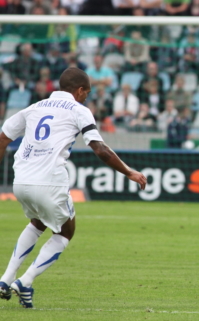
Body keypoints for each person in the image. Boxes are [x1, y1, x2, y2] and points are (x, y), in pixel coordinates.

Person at [0, 68, 147, 308]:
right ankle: (25, 281)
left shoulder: (34, 107)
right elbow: (100, 148)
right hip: (49, 180)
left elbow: (3, 138)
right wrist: (129, 171)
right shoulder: (79, 110)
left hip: (21, 180)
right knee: (65, 232)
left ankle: (5, 279)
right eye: (86, 94)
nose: (86, 98)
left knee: (38, 223)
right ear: (79, 90)